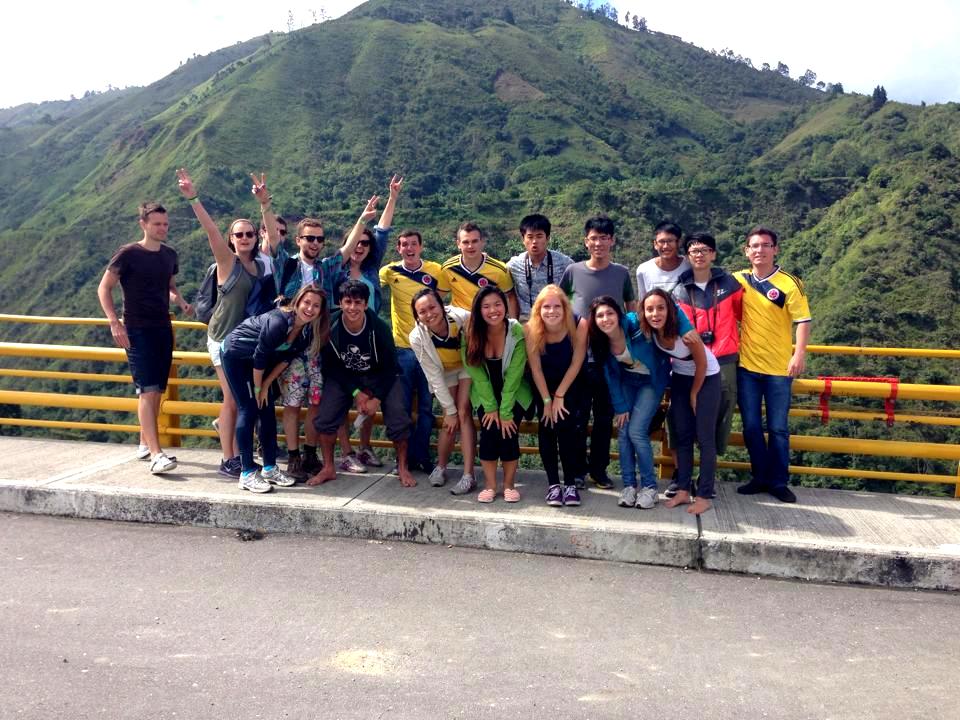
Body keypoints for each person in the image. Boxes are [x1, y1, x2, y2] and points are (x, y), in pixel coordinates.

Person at [263, 198, 378, 478]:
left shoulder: (326, 268)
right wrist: (265, 205)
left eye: (319, 239)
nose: (315, 243)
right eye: (310, 238)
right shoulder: (286, 264)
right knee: (292, 404)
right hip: (290, 346)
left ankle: (310, 453)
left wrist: (363, 219)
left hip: (318, 345)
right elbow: (273, 239)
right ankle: (293, 457)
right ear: (299, 240)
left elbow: (347, 250)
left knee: (316, 402)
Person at [176, 168, 278, 479]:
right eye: (238, 234)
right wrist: (193, 197)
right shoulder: (226, 261)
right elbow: (210, 231)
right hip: (222, 338)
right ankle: (228, 460)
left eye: (249, 234)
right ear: (231, 240)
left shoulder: (261, 264)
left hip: (246, 342)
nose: (244, 238)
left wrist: (265, 203)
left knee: (243, 398)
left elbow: (274, 238)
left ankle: (234, 446)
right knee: (233, 397)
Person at [97, 201, 192, 475]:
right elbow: (104, 288)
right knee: (147, 390)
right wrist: (114, 322)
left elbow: (169, 286)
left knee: (157, 391)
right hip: (137, 329)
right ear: (143, 224)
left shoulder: (170, 255)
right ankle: (156, 454)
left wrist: (180, 301)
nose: (163, 228)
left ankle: (143, 444)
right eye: (157, 224)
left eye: (165, 224)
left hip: (163, 327)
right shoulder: (128, 253)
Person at [220, 285, 330, 493]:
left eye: (316, 306)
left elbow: (285, 360)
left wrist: (266, 385)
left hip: (260, 366)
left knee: (267, 410)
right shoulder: (278, 322)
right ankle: (247, 472)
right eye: (306, 302)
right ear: (297, 302)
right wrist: (258, 388)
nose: (310, 309)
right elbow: (260, 357)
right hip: (237, 356)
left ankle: (269, 468)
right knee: (249, 409)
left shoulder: (305, 332)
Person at [588, 295, 695, 509]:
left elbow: (670, 307)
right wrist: (620, 407)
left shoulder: (634, 322)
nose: (605, 319)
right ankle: (629, 486)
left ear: (618, 314)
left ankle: (650, 487)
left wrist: (687, 330)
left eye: (610, 313)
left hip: (652, 381)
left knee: (636, 431)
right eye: (600, 316)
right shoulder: (601, 342)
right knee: (624, 430)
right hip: (628, 381)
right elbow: (611, 377)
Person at [308, 280, 416, 488]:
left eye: (358, 302)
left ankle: (403, 467)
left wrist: (376, 398)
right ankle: (328, 467)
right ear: (340, 303)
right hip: (345, 376)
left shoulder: (379, 328)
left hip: (380, 375)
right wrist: (356, 392)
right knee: (326, 416)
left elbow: (391, 368)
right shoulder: (330, 326)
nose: (352, 308)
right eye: (348, 302)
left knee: (398, 416)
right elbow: (331, 366)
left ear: (366, 304)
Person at [734, 226, 812, 503]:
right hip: (747, 368)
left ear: (775, 249)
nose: (760, 250)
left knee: (778, 428)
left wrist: (798, 354)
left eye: (766, 245)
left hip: (780, 369)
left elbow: (803, 321)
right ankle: (760, 477)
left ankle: (779, 482)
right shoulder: (739, 280)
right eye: (754, 246)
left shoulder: (790, 283)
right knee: (751, 426)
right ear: (746, 251)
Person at [558, 215, 637, 490]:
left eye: (604, 238)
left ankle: (599, 470)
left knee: (604, 419)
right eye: (594, 238)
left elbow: (631, 307)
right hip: (578, 357)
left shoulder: (621, 273)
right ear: (586, 241)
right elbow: (559, 304)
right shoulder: (573, 271)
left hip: (610, 358)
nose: (599, 243)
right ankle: (577, 470)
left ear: (612, 241)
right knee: (578, 417)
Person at [333, 177, 402, 472]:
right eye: (356, 241)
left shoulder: (372, 268)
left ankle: (364, 447)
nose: (360, 246)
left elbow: (383, 230)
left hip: (370, 340)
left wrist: (392, 198)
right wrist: (362, 220)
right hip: (342, 340)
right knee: (341, 397)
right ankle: (346, 451)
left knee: (370, 393)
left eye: (365, 243)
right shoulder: (335, 270)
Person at [671, 232, 743, 497]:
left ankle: (706, 481)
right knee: (681, 423)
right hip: (688, 364)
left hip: (723, 361)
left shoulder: (731, 285)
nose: (699, 255)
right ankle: (682, 478)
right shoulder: (678, 290)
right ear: (687, 256)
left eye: (704, 250)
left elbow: (744, 316)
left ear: (713, 253)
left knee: (715, 422)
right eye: (693, 250)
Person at [642, 289, 720, 515]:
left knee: (705, 438)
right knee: (682, 434)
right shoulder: (652, 332)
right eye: (649, 309)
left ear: (670, 310)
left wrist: (694, 393)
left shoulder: (685, 334)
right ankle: (683, 490)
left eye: (660, 308)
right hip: (680, 377)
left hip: (706, 377)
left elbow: (702, 364)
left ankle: (704, 495)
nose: (655, 314)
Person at [381, 228, 451, 475]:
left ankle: (421, 457)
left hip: (430, 350)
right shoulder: (389, 271)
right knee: (400, 408)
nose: (409, 248)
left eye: (413, 244)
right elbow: (365, 279)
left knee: (425, 408)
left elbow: (440, 302)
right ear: (398, 248)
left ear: (421, 246)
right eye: (404, 244)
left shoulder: (435, 270)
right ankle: (403, 459)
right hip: (402, 349)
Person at [462, 286, 533, 503]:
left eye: (497, 304)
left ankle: (509, 484)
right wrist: (491, 407)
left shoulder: (516, 330)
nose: (493, 310)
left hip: (515, 392)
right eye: (486, 306)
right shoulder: (470, 332)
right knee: (489, 431)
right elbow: (475, 372)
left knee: (508, 431)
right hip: (484, 392)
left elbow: (515, 375)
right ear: (478, 309)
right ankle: (491, 485)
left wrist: (505, 411)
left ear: (505, 306)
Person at [524, 285, 588, 507]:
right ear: (539, 310)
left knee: (568, 430)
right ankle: (553, 485)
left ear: (565, 307)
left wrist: (560, 395)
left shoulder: (579, 324)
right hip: (543, 385)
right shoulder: (530, 329)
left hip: (571, 383)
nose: (552, 311)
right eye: (546, 307)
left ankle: (570, 484)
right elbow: (535, 368)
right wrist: (547, 401)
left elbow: (577, 362)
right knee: (547, 427)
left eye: (557, 306)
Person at [408, 287, 476, 492]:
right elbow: (434, 377)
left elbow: (479, 331)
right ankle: (441, 466)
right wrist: (450, 410)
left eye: (432, 307)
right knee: (449, 416)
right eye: (422, 311)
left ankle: (468, 475)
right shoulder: (417, 337)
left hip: (466, 366)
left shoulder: (460, 317)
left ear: (442, 306)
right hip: (444, 373)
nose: (429, 314)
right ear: (417, 316)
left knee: (463, 412)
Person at [505, 214, 574, 322]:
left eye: (539, 236)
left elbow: (576, 291)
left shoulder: (564, 263)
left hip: (556, 321)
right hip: (527, 322)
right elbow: (498, 276)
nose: (534, 241)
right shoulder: (514, 265)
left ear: (547, 238)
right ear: (523, 239)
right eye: (530, 237)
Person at [441, 222, 518, 317]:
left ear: (482, 242)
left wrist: (513, 323)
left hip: (487, 318)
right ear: (458, 244)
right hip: (459, 319)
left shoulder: (499, 270)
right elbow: (437, 296)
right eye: (465, 242)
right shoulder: (448, 268)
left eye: (474, 241)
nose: (470, 246)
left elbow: (510, 297)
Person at [635, 221, 691, 298]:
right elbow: (643, 301)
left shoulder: (689, 266)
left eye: (670, 241)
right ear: (655, 244)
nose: (665, 246)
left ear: (679, 242)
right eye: (661, 241)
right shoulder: (644, 270)